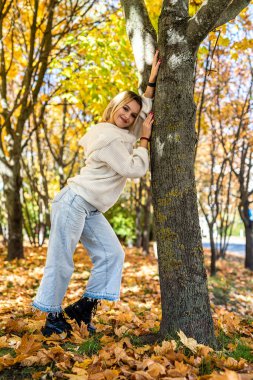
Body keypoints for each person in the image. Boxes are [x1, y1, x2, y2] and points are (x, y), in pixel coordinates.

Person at [32, 51, 161, 337]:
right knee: (62, 260)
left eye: (132, 113)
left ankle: (83, 308)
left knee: (113, 254)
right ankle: (52, 318)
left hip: (89, 208)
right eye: (124, 109)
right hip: (74, 201)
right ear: (113, 107)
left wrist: (151, 82)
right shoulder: (107, 135)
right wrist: (145, 139)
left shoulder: (120, 134)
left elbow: (144, 111)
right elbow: (135, 168)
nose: (128, 116)